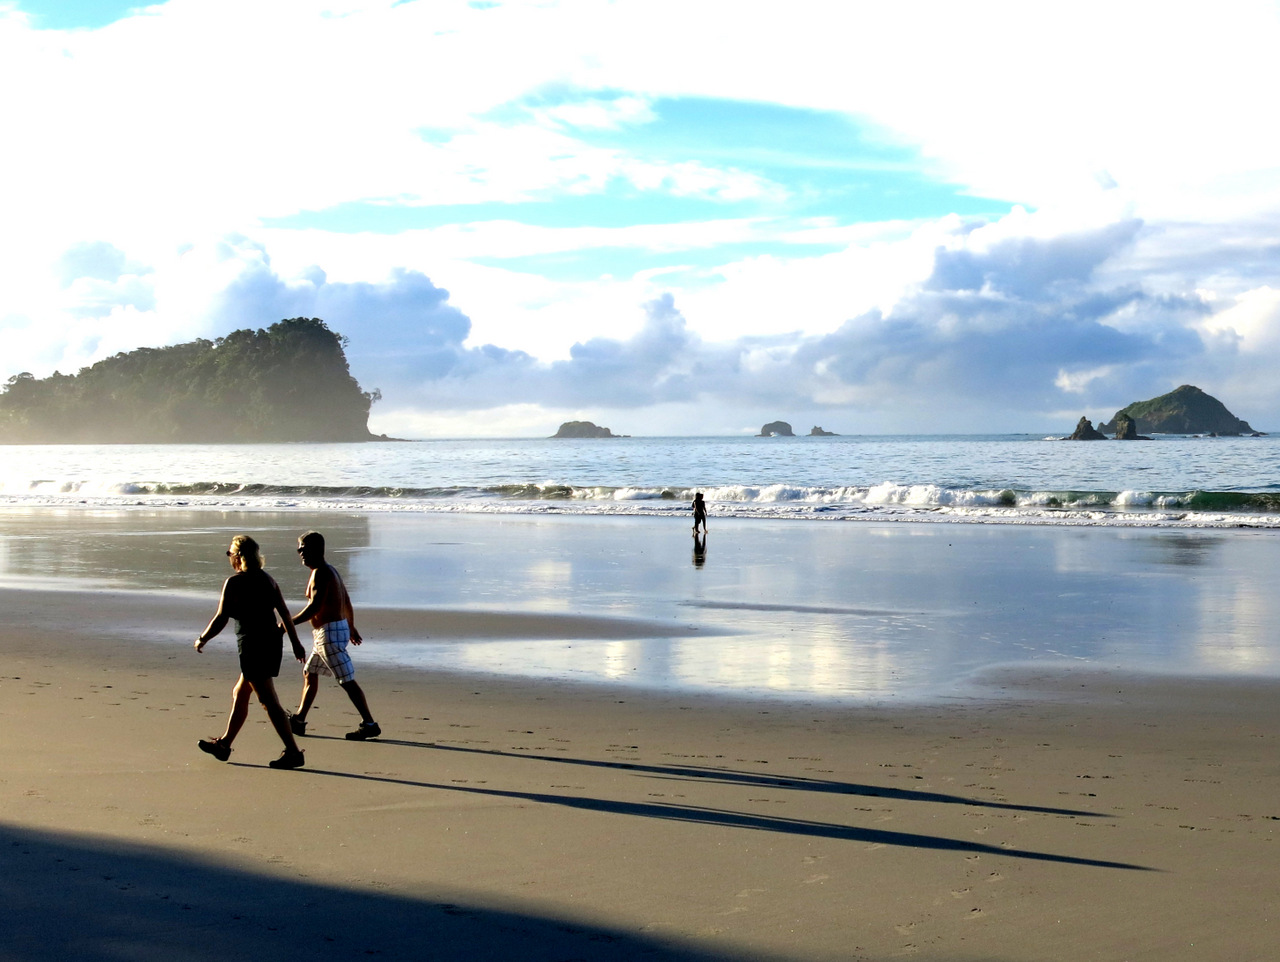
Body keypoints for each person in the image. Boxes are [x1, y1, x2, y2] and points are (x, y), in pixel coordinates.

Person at [194, 535, 308, 769]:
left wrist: (202, 638)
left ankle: (294, 752)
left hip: (253, 645)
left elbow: (222, 617)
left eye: (229, 554)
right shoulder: (268, 580)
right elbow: (284, 614)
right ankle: (224, 745)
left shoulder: (235, 582)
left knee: (268, 701)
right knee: (241, 692)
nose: (229, 558)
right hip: (272, 642)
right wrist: (296, 643)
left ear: (237, 556)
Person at [287, 531, 381, 740]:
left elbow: (314, 607)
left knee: (346, 680)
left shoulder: (322, 572)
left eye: (303, 548)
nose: (300, 552)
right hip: (330, 631)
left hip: (329, 634)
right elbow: (345, 601)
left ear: (317, 550)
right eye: (299, 549)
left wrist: (286, 624)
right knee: (309, 673)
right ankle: (299, 720)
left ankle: (369, 723)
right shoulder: (329, 571)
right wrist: (351, 626)